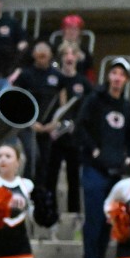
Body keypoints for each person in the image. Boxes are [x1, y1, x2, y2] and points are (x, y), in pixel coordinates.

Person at [77, 58, 130, 258]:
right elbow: (81, 127)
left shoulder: (128, 109)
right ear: (109, 76)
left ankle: (101, 257)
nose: (117, 78)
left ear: (126, 80)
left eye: (122, 74)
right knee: (94, 213)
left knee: (110, 216)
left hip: (116, 170)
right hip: (94, 167)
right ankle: (90, 257)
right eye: (114, 73)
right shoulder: (94, 100)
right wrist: (94, 150)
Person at [45, 42, 90, 219]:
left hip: (74, 137)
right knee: (51, 177)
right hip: (54, 136)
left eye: (73, 54)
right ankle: (49, 212)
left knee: (73, 177)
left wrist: (77, 126)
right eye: (66, 54)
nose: (70, 57)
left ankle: (74, 215)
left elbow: (88, 110)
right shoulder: (53, 79)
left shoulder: (83, 83)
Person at [13, 41, 61, 183]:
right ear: (34, 55)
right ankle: (26, 187)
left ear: (50, 56)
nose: (42, 59)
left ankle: (39, 196)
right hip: (27, 125)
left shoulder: (57, 76)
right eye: (39, 56)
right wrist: (30, 122)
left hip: (48, 125)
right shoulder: (26, 74)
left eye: (44, 56)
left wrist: (55, 121)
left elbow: (62, 98)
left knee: (45, 162)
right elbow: (16, 98)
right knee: (33, 156)